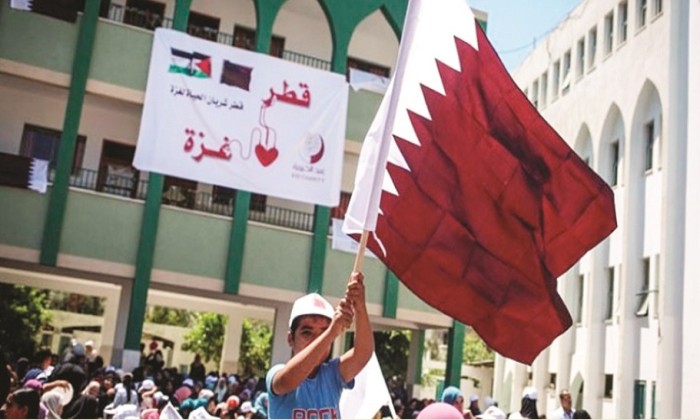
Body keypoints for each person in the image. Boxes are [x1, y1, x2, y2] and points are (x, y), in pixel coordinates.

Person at [266, 272, 374, 419]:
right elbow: (285, 382)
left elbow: (363, 353)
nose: (316, 341)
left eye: (323, 332)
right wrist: (331, 333)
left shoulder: (332, 374)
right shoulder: (277, 373)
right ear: (290, 338)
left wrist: (359, 305)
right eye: (307, 333)